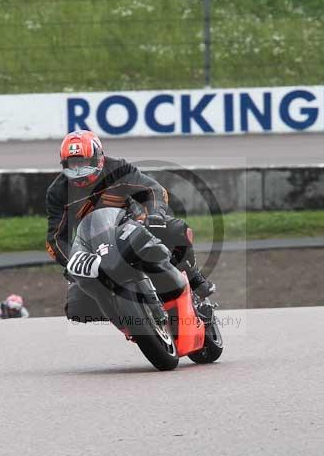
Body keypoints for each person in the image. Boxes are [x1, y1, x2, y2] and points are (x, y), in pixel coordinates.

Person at [45, 129, 215, 323]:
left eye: (84, 163)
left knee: (175, 229)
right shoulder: (57, 192)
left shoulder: (118, 168)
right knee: (77, 308)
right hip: (94, 247)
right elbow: (55, 238)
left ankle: (194, 279)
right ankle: (130, 322)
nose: (79, 171)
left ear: (98, 158)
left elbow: (153, 190)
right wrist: (72, 261)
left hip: (132, 225)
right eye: (73, 165)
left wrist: (155, 215)